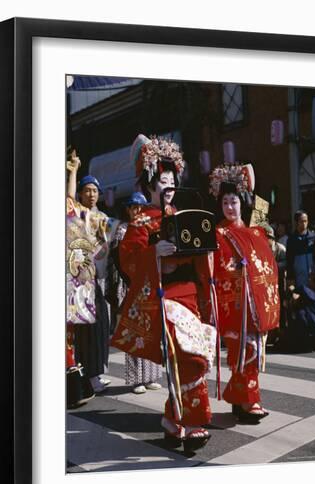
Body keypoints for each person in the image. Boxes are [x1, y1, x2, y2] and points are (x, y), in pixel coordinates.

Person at [111, 134, 217, 452]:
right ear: (150, 185)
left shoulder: (186, 216)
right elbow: (129, 260)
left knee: (192, 358)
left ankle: (174, 420)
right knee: (187, 357)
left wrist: (207, 251)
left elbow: (204, 258)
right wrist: (154, 252)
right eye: (162, 181)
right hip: (164, 297)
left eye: (172, 181)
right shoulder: (141, 223)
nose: (168, 187)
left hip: (189, 296)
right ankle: (193, 420)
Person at [210, 163, 280, 423]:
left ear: (242, 203)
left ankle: (240, 400)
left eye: (234, 202)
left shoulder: (255, 232)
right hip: (233, 304)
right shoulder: (217, 234)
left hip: (255, 304)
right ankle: (249, 401)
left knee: (253, 352)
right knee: (245, 352)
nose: (230, 207)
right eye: (226, 202)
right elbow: (215, 268)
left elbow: (267, 264)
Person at [66, 150, 119, 394]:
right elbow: (69, 198)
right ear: (81, 194)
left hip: (96, 277)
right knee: (87, 329)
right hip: (79, 279)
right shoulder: (77, 213)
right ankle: (89, 375)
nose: (92, 193)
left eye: (95, 190)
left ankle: (95, 372)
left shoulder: (102, 217)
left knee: (101, 325)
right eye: (87, 190)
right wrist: (74, 171)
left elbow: (104, 247)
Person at [108, 192, 162, 394]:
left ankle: (151, 375)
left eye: (139, 207)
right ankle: (135, 379)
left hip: (150, 280)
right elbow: (121, 258)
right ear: (128, 209)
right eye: (133, 207)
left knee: (151, 327)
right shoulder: (123, 229)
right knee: (134, 329)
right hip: (130, 281)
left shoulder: (152, 223)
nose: (137, 211)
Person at [286, 210, 315, 289]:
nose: (304, 224)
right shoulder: (291, 240)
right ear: (296, 222)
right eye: (301, 221)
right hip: (299, 279)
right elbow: (289, 261)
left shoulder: (314, 237)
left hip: (314, 278)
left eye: (306, 221)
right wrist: (291, 280)